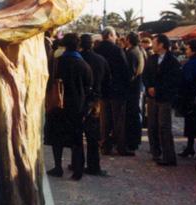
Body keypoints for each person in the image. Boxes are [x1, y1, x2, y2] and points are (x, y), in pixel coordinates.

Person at [45, 33, 93, 180]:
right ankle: (77, 170)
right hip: (76, 107)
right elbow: (88, 87)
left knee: (57, 138)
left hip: (58, 106)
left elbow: (49, 82)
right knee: (77, 139)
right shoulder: (84, 65)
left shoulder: (57, 62)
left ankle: (58, 167)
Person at [143, 34, 181, 166]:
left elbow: (173, 81)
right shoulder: (151, 59)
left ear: (161, 45)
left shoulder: (172, 61)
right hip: (152, 98)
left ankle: (168, 156)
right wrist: (149, 87)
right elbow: (145, 75)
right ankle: (155, 152)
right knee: (152, 125)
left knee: (164, 126)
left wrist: (158, 89)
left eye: (155, 43)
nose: (152, 45)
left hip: (164, 98)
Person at [95, 26, 132, 156]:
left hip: (103, 90)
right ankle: (121, 147)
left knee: (104, 120)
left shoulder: (97, 49)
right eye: (114, 35)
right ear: (110, 35)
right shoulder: (117, 50)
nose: (116, 37)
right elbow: (125, 70)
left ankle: (105, 146)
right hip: (118, 90)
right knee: (119, 120)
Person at [79, 33, 110, 176]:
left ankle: (77, 164)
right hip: (95, 100)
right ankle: (93, 166)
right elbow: (108, 80)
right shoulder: (100, 60)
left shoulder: (78, 59)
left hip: (79, 100)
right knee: (93, 136)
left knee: (77, 134)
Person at [125, 32, 145, 152]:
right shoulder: (139, 51)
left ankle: (132, 141)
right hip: (136, 88)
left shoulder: (132, 53)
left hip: (132, 89)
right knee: (135, 114)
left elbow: (130, 73)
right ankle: (135, 140)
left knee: (132, 115)